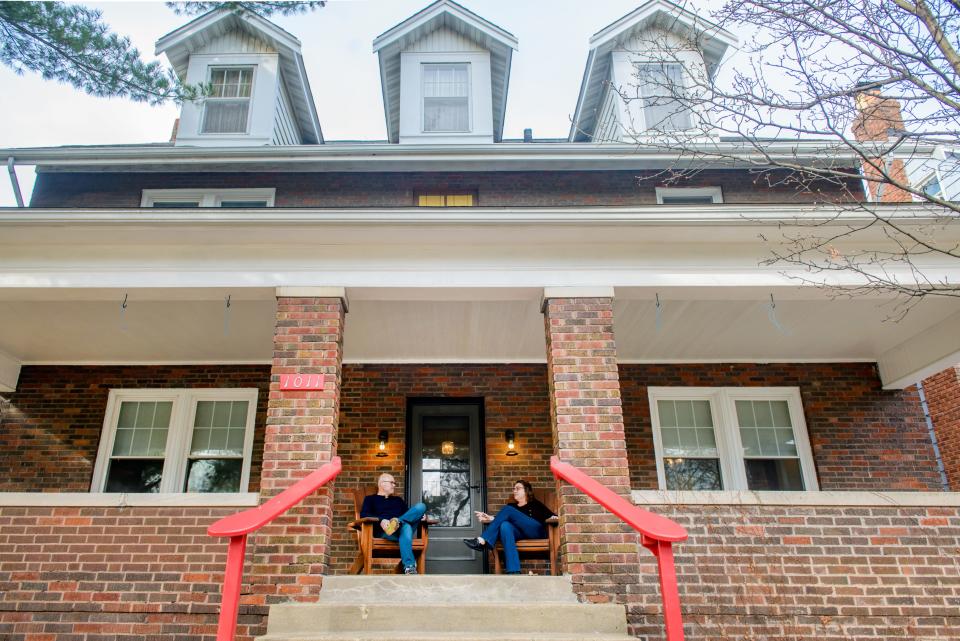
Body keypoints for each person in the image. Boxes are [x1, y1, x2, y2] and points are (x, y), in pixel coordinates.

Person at [462, 479, 556, 575]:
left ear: (526, 491)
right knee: (505, 526)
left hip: (536, 532)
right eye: (514, 489)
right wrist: (490, 518)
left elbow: (553, 516)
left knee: (507, 510)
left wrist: (555, 517)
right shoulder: (512, 506)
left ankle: (482, 540)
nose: (514, 490)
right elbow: (502, 518)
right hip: (520, 534)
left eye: (518, 488)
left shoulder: (536, 504)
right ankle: (514, 571)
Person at [359, 472, 427, 574]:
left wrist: (421, 516)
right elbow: (364, 515)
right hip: (386, 532)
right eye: (392, 482)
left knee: (421, 507)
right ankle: (409, 566)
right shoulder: (370, 499)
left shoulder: (398, 500)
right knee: (407, 527)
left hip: (400, 527)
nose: (394, 485)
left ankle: (397, 522)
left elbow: (409, 515)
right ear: (382, 484)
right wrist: (381, 520)